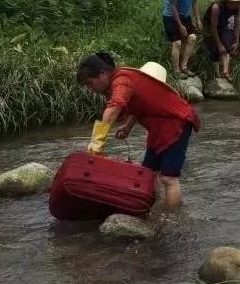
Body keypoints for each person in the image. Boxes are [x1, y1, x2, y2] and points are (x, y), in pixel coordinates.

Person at [77, 53, 200, 208]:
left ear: (103, 75)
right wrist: (128, 126)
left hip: (177, 122)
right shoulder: (122, 80)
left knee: (169, 178)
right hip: (159, 127)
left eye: (90, 83)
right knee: (149, 173)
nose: (90, 89)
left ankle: (174, 219)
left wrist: (96, 142)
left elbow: (113, 108)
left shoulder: (122, 81)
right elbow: (142, 105)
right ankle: (152, 208)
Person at [162, 0, 207, 78]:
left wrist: (197, 19)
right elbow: (172, 5)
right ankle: (176, 71)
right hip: (171, 16)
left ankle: (184, 67)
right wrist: (180, 25)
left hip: (185, 15)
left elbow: (195, 0)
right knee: (177, 42)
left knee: (192, 38)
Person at [204, 0, 240, 79]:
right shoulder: (216, 7)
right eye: (236, 1)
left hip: (222, 24)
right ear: (229, 0)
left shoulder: (237, 7)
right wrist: (219, 45)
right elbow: (213, 28)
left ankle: (225, 72)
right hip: (209, 25)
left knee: (227, 45)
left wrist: (237, 41)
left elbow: (237, 25)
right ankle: (216, 73)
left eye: (239, 1)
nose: (239, 3)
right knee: (215, 48)